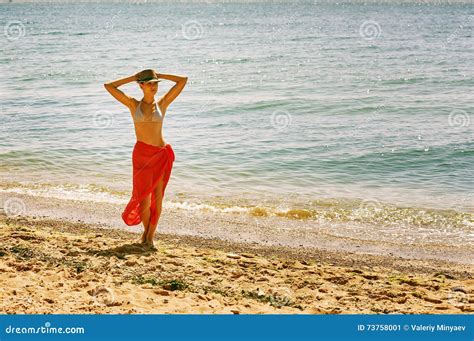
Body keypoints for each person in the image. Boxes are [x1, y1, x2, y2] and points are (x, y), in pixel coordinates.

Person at [104, 69, 188, 247]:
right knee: (143, 198)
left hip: (160, 154)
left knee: (157, 197)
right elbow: (109, 86)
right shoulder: (133, 105)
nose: (153, 86)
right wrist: (133, 78)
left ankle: (150, 237)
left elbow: (182, 80)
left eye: (155, 83)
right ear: (141, 85)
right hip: (142, 156)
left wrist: (161, 76)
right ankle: (145, 233)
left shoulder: (162, 104)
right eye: (149, 83)